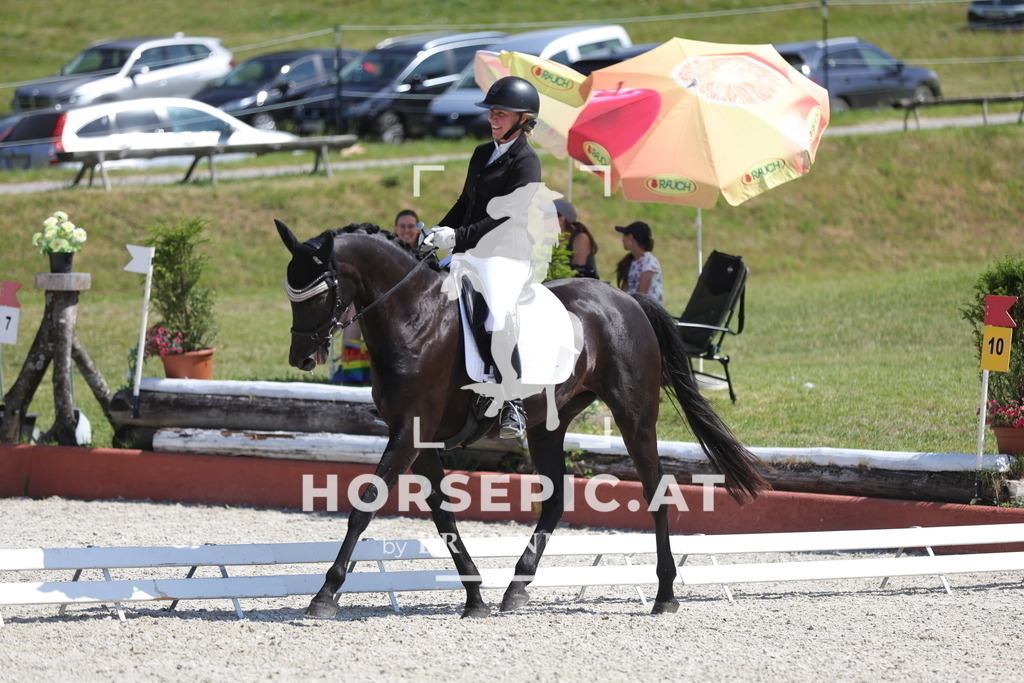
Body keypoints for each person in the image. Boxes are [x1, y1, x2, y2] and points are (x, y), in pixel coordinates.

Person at [424, 75, 543, 439]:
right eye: (491, 111)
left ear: (523, 119)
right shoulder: (481, 153)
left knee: (496, 316)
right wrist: (435, 236)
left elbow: (504, 216)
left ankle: (513, 403)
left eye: (502, 113)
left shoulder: (527, 163)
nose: (493, 117)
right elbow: (466, 204)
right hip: (470, 251)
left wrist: (457, 236)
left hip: (506, 256)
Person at [615, 221, 664, 305]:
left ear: (630, 238)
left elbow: (642, 294)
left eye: (624, 236)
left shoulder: (649, 261)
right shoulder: (632, 261)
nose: (622, 240)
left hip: (647, 312)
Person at [553, 198, 599, 279]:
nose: (543, 219)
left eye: (547, 216)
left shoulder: (580, 238)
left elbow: (576, 271)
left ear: (561, 220)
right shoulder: (552, 238)